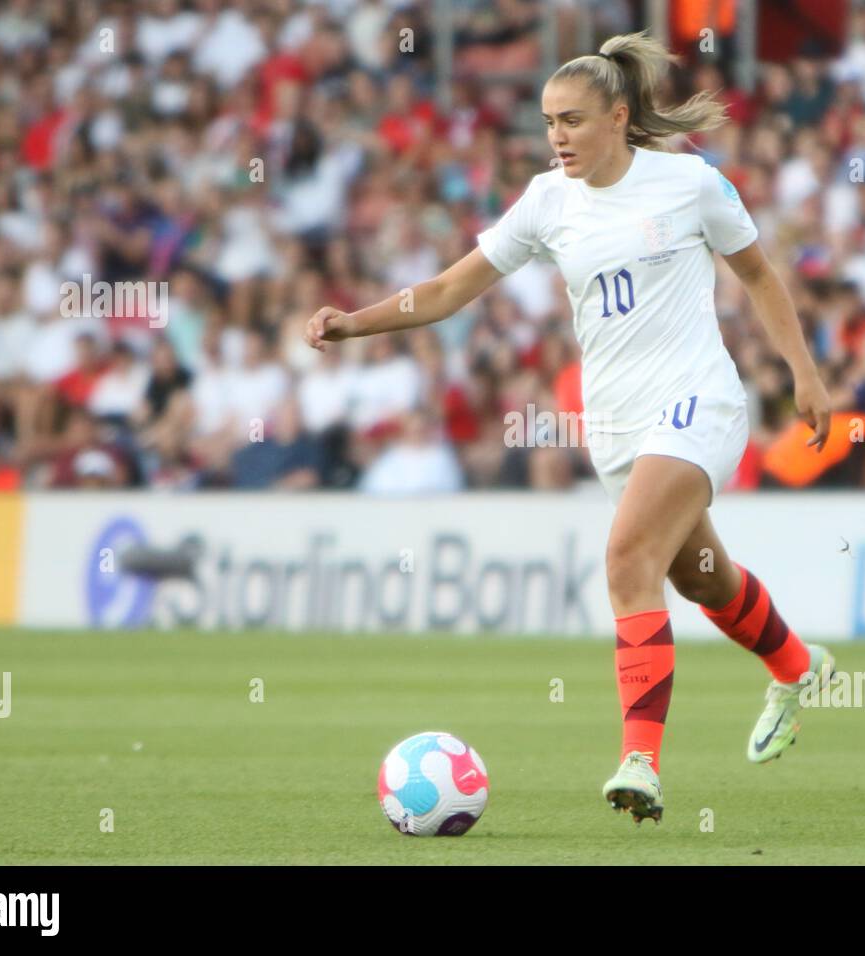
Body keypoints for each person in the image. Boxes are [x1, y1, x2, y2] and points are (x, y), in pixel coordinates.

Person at [304, 31, 835, 825]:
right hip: (616, 426)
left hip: (698, 402)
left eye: (574, 121)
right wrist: (355, 324)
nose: (558, 136)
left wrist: (804, 369)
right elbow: (451, 288)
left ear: (620, 117)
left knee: (626, 556)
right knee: (697, 577)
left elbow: (757, 273)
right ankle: (797, 667)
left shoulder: (690, 183)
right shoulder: (548, 199)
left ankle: (640, 763)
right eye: (550, 121)